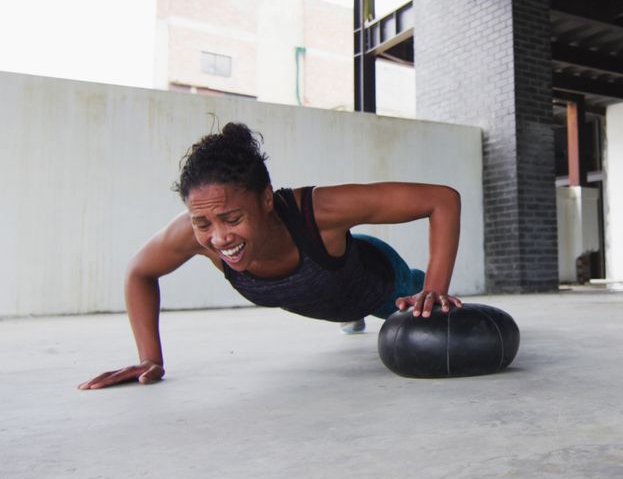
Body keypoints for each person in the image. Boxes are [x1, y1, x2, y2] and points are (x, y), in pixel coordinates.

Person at [78, 122, 463, 390]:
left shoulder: (318, 211)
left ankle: (359, 309)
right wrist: (150, 359)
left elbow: (441, 200)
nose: (219, 237)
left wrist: (433, 288)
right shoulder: (197, 235)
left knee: (425, 312)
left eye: (232, 218)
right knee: (335, 298)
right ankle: (348, 314)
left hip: (379, 282)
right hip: (325, 295)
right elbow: (138, 273)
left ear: (265, 199)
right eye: (203, 223)